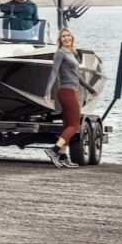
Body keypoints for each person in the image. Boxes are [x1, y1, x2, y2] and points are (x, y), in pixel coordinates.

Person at [42, 28, 98, 168]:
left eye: (68, 36)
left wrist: (90, 89)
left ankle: (62, 156)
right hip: (67, 92)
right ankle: (54, 150)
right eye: (63, 37)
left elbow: (77, 76)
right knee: (75, 125)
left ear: (72, 38)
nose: (66, 38)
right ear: (60, 40)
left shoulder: (71, 53)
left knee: (67, 125)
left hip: (72, 91)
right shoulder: (60, 53)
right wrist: (47, 92)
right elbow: (54, 73)